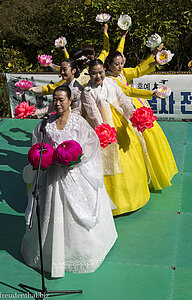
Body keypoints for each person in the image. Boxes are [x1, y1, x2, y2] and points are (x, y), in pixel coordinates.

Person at [21, 85, 117, 278]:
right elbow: (37, 145)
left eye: (61, 99)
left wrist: (76, 157)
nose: (57, 103)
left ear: (70, 101)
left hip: (73, 174)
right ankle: (49, 255)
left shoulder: (78, 121)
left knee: (77, 213)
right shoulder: (45, 124)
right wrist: (44, 157)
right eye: (54, 99)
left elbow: (90, 143)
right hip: (52, 177)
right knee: (50, 211)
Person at [81, 58, 150, 216]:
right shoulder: (87, 91)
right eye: (94, 73)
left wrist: (135, 115)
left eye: (101, 72)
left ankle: (134, 197)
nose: (98, 76)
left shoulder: (112, 83)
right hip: (104, 129)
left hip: (120, 123)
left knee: (129, 157)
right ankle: (110, 203)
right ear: (89, 74)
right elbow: (93, 114)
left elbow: (124, 100)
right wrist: (104, 131)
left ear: (105, 71)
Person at [105, 50, 178, 190]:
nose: (119, 67)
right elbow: (128, 91)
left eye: (121, 63)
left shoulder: (122, 74)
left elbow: (138, 70)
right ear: (108, 65)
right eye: (116, 64)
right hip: (123, 111)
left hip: (135, 105)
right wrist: (151, 94)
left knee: (151, 136)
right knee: (137, 142)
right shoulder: (110, 80)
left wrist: (155, 60)